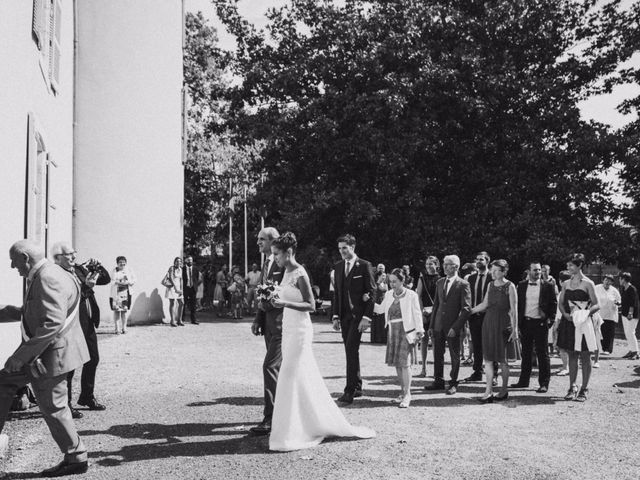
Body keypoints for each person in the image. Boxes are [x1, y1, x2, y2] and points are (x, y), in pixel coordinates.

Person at [268, 232, 375, 451]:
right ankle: (302, 422)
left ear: (289, 252)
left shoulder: (300, 273)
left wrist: (284, 303)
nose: (275, 258)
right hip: (288, 327)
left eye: (277, 254)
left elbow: (311, 305)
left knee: (288, 374)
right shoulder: (285, 273)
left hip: (300, 329)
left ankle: (293, 430)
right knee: (297, 376)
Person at [0, 240, 89, 477]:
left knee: (52, 405)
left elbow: (51, 323)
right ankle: (76, 456)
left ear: (25, 258)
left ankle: (76, 456)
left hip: (49, 355)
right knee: (52, 406)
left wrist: (20, 357)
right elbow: (33, 311)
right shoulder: (54, 272)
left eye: (14, 260)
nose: (12, 266)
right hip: (55, 352)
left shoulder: (48, 278)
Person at [51, 242, 110, 418]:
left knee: (92, 359)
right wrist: (87, 287)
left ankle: (86, 396)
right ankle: (66, 404)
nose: (73, 257)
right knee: (70, 366)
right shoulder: (56, 275)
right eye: (69, 254)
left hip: (88, 323)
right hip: (72, 324)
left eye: (73, 253)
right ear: (58, 257)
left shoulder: (78, 269)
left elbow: (105, 279)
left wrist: (97, 267)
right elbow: (70, 299)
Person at [331, 234, 376, 405]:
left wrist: (367, 317)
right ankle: (357, 386)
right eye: (340, 248)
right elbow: (337, 294)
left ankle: (349, 391)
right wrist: (335, 316)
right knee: (351, 351)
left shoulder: (364, 266)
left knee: (350, 349)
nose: (342, 251)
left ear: (353, 247)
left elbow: (372, 292)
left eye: (345, 248)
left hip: (359, 317)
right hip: (344, 317)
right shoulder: (338, 266)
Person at [249, 227, 284, 436]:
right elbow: (263, 296)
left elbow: (285, 296)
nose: (258, 243)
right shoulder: (266, 263)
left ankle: (270, 418)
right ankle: (280, 413)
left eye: (262, 239)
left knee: (269, 367)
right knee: (277, 370)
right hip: (268, 325)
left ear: (273, 241)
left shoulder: (284, 265)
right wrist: (257, 319)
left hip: (281, 325)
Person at [469, 259, 518, 402]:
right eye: (493, 270)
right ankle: (488, 391)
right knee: (488, 359)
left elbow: (514, 310)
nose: (493, 273)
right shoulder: (490, 285)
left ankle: (504, 390)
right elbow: (484, 304)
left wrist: (514, 329)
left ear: (504, 271)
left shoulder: (510, 286)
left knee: (503, 361)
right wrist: (469, 311)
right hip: (488, 324)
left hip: (503, 324)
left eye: (497, 270)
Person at [374, 268, 423, 407]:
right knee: (397, 364)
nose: (392, 284)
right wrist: (367, 302)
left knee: (405, 364)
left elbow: (417, 313)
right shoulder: (389, 294)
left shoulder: (411, 295)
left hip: (406, 332)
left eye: (395, 281)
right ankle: (402, 392)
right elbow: (380, 309)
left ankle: (408, 395)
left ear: (403, 281)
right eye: (390, 282)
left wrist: (420, 330)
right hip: (392, 332)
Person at [425, 255, 471, 395]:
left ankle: (453, 382)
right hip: (438, 325)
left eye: (448, 264)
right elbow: (436, 305)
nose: (444, 266)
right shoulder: (440, 282)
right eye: (444, 264)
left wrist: (456, 327)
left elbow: (466, 309)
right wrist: (432, 326)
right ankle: (438, 380)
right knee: (438, 354)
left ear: (456, 267)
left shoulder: (463, 284)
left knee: (454, 355)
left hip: (453, 327)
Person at [557, 253, 600, 402]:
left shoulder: (588, 284)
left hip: (583, 323)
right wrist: (565, 315)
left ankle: (584, 388)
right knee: (572, 354)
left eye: (571, 265)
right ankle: (572, 386)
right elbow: (561, 303)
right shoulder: (566, 283)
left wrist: (586, 313)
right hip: (569, 322)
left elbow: (596, 304)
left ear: (579, 265)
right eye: (567, 265)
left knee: (585, 355)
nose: (568, 268)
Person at [511, 262, 557, 393]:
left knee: (543, 354)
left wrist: (549, 322)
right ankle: (523, 381)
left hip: (540, 324)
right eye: (535, 270)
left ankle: (544, 383)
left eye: (539, 270)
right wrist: (518, 323)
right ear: (529, 271)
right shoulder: (521, 285)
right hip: (525, 323)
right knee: (526, 353)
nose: (538, 272)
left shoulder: (548, 286)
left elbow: (553, 304)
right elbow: (518, 304)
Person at [464, 252, 492, 382]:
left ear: (487, 261)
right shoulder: (471, 278)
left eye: (481, 259)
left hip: (488, 315)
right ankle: (477, 372)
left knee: (490, 345)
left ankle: (493, 374)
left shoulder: (492, 277)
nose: (478, 261)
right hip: (474, 316)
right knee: (476, 345)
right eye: (477, 259)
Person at [415, 256, 440, 377]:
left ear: (436, 265)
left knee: (436, 341)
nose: (429, 266)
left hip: (436, 312)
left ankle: (436, 370)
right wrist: (420, 312)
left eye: (431, 264)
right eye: (427, 264)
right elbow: (418, 296)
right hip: (424, 312)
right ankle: (424, 369)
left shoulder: (441, 279)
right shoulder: (422, 278)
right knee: (423, 341)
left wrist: (435, 311)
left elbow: (441, 298)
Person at [594, 274, 621, 356]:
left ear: (612, 282)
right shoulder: (597, 288)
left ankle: (608, 349)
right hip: (599, 314)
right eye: (606, 280)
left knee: (609, 333)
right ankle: (600, 348)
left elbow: (619, 301)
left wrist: (617, 303)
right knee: (600, 331)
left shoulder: (614, 290)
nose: (607, 282)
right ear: (603, 280)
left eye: (609, 281)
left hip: (611, 315)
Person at [110, 256, 136, 334]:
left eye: (123, 262)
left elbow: (134, 279)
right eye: (120, 262)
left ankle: (124, 328)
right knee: (117, 311)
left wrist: (128, 282)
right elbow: (111, 281)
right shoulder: (114, 271)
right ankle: (117, 329)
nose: (122, 263)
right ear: (117, 263)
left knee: (124, 311)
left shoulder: (129, 270)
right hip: (116, 294)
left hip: (126, 294)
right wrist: (117, 282)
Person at [618, 272, 639, 360]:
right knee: (627, 333)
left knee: (631, 332)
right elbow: (625, 301)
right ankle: (631, 350)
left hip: (632, 314)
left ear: (624, 279)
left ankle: (635, 352)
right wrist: (619, 304)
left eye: (620, 279)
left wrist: (630, 313)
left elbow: (633, 303)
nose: (619, 280)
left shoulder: (632, 289)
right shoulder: (624, 289)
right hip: (624, 314)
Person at [182, 255, 201, 325]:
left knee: (193, 305)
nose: (190, 261)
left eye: (191, 260)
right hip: (185, 288)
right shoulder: (183, 269)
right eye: (189, 260)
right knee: (183, 304)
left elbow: (197, 278)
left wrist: (195, 287)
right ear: (186, 261)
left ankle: (193, 320)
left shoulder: (196, 269)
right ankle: (182, 319)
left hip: (193, 288)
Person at [165, 257, 184, 327]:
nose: (178, 263)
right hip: (172, 287)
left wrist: (181, 289)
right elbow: (171, 278)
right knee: (172, 303)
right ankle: (172, 320)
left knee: (181, 302)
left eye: (180, 261)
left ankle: (179, 319)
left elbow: (181, 279)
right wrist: (176, 289)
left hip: (178, 287)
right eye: (177, 261)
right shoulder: (171, 268)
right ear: (174, 262)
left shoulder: (181, 269)